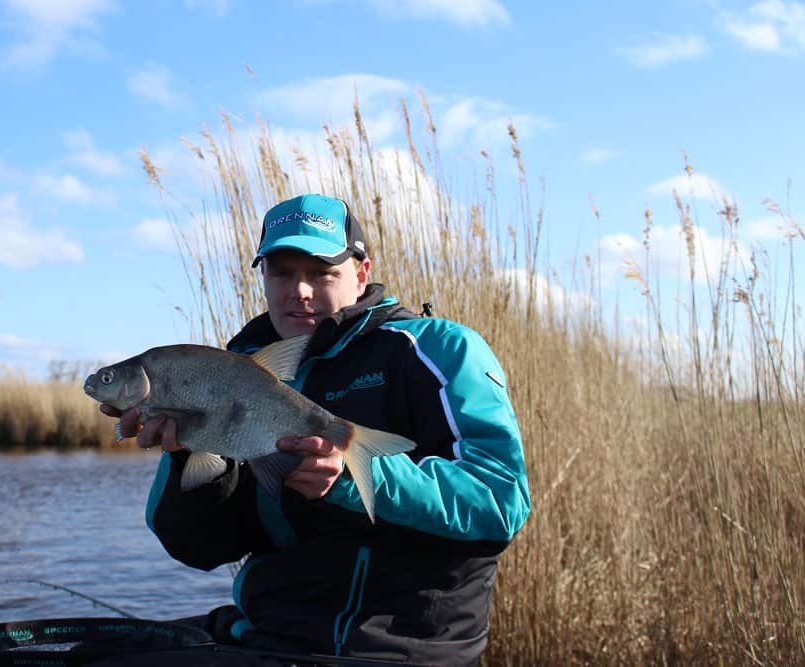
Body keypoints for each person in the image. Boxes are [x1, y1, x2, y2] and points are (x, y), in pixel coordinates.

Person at [101, 193, 531, 666]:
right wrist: (192, 451)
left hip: (396, 647)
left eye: (321, 272)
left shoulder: (437, 350)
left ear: (361, 272)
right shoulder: (241, 366)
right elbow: (197, 548)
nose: (298, 291)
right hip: (265, 633)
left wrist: (353, 478)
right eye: (282, 273)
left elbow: (500, 501)